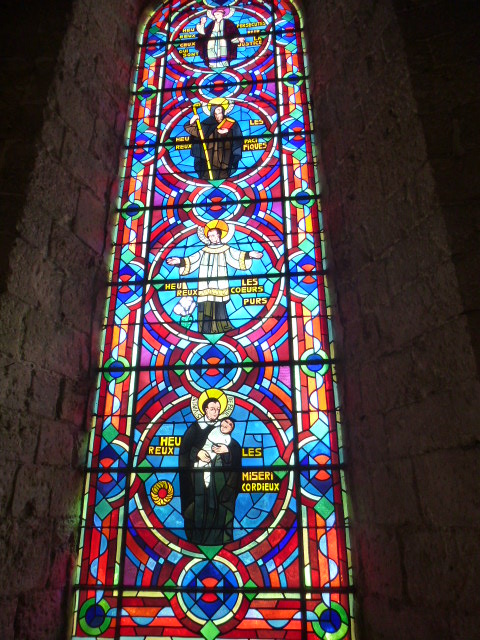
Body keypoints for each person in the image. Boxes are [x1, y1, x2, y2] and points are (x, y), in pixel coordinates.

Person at [166, 221, 263, 334]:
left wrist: (249, 255)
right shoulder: (203, 251)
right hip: (204, 285)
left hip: (219, 284)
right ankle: (204, 329)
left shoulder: (226, 249)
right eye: (209, 236)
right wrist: (180, 261)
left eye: (213, 235)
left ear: (219, 235)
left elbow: (237, 256)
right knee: (204, 306)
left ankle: (222, 327)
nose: (211, 238)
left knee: (219, 306)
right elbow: (192, 260)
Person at [179, 399, 241, 545]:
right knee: (198, 509)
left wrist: (228, 451)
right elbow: (184, 452)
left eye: (218, 409)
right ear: (205, 410)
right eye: (212, 408)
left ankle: (220, 540)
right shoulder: (195, 429)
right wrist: (197, 454)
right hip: (197, 479)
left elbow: (235, 450)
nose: (216, 412)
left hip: (218, 483)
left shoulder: (222, 428)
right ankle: (196, 541)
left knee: (219, 510)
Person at [184, 103, 243, 180]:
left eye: (220, 113)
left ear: (223, 112)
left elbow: (238, 137)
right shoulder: (208, 123)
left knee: (223, 174)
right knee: (207, 174)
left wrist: (227, 132)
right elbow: (197, 132)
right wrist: (192, 121)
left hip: (225, 156)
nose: (218, 116)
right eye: (215, 113)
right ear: (212, 113)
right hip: (209, 155)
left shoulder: (231, 123)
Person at [194, 418, 235, 487]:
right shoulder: (210, 429)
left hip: (213, 458)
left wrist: (227, 450)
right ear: (221, 422)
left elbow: (234, 452)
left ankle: (206, 482)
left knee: (207, 467)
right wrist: (197, 452)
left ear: (231, 429)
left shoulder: (228, 439)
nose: (227, 425)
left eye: (230, 425)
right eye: (226, 421)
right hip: (203, 451)